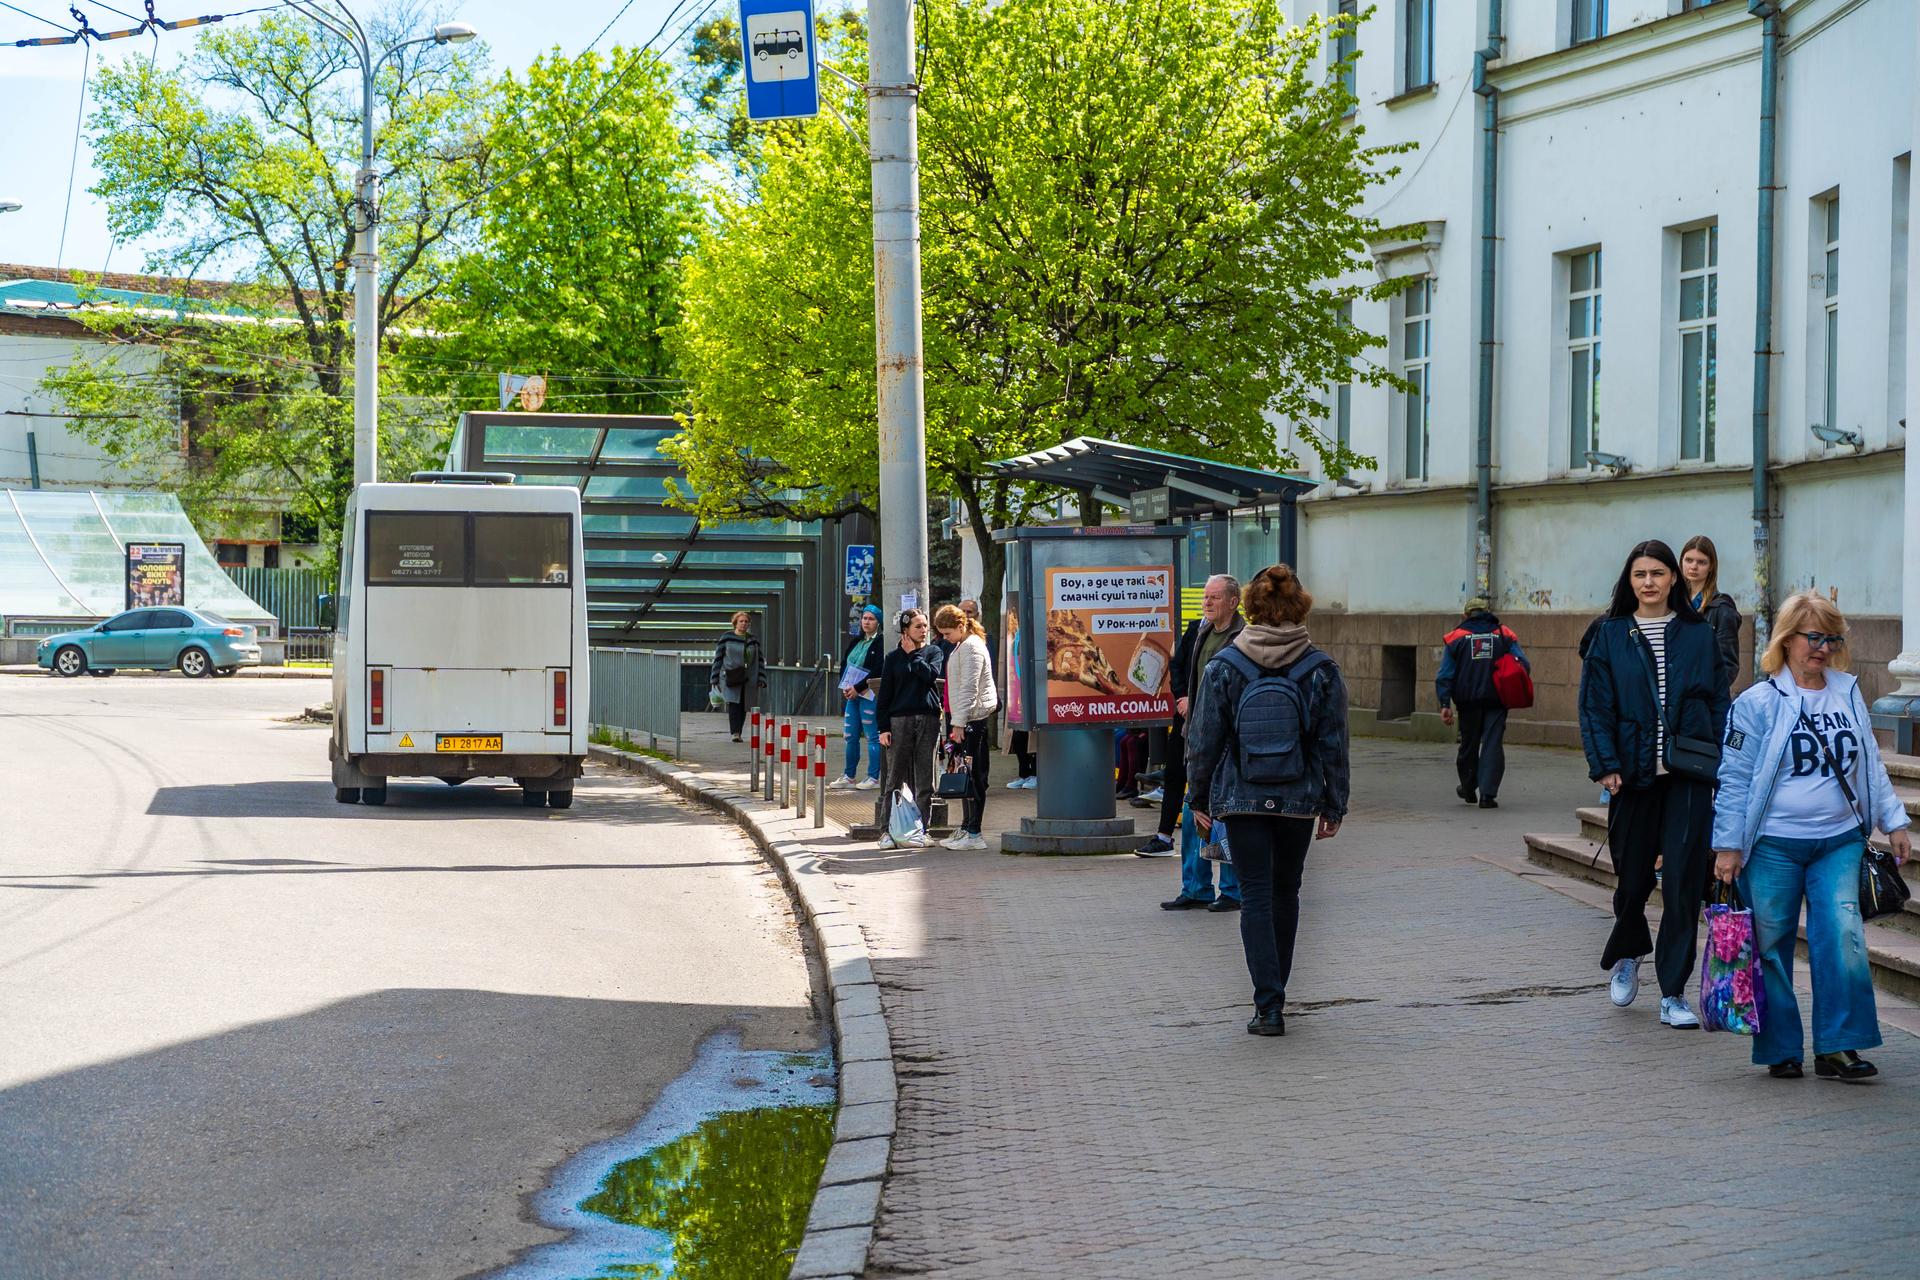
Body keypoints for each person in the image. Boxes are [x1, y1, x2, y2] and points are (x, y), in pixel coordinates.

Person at [1712, 592, 1912, 1080]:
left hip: (1839, 840)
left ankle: (1838, 1046)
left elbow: (1869, 762)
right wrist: (1728, 844)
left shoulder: (1848, 692)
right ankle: (1780, 1047)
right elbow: (1734, 778)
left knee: (1842, 938)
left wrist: (1895, 819)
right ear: (1787, 640)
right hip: (1773, 844)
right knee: (1770, 943)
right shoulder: (1756, 704)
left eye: (1832, 638)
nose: (1822, 648)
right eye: (1813, 637)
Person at [1185, 564, 1350, 1037]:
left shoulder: (1225, 666)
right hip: (1299, 799)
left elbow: (1204, 740)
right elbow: (1334, 743)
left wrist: (1199, 798)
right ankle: (1280, 992)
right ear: (1300, 608)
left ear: (1250, 608)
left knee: (1255, 894)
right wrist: (1334, 804)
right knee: (1286, 892)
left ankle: (1268, 1005)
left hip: (1242, 797)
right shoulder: (1319, 669)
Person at [1579, 539, 1730, 1030]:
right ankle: (1629, 951)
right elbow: (1594, 705)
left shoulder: (1697, 633)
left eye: (1658, 574)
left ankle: (1673, 992)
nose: (1649, 582)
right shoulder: (1610, 634)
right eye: (1640, 574)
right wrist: (1605, 763)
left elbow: (1716, 703)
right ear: (1629, 580)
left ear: (1674, 579)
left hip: (1687, 777)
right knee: (1633, 878)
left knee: (1685, 883)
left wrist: (1717, 761)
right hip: (1632, 774)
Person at [1142, 574, 1246, 859]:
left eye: (1215, 597)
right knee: (1185, 787)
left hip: (1221, 731)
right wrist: (1182, 697)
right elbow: (1179, 667)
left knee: (1216, 799)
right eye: (1205, 596)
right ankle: (1192, 880)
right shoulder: (1199, 631)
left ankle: (1228, 888)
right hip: (1191, 725)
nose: (1207, 602)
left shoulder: (1242, 638)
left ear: (1233, 602)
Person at [1436, 598, 1529, 809]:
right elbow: (1523, 664)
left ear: (1465, 616)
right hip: (1497, 700)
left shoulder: (1456, 638)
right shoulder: (1504, 634)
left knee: (1468, 744)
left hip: (1467, 701)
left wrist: (1444, 703)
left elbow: (1445, 675)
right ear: (1488, 612)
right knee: (1492, 745)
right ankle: (1488, 795)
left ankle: (1468, 787)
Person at [876, 609, 943, 850]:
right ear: (906, 630)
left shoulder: (933, 652)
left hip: (927, 718)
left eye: (925, 625)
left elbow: (930, 676)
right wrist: (883, 727)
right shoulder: (893, 658)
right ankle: (886, 831)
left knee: (925, 778)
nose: (924, 630)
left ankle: (922, 829)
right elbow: (885, 695)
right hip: (899, 721)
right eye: (918, 626)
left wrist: (914, 655)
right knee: (893, 777)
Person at [935, 604, 998, 850]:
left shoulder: (971, 647)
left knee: (974, 774)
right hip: (964, 718)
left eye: (948, 633)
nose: (946, 638)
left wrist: (958, 723)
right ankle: (966, 826)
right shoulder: (964, 644)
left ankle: (974, 832)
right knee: (964, 772)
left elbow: (969, 688)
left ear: (960, 626)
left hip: (971, 720)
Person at [831, 606, 885, 791]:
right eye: (864, 618)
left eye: (871, 619)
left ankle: (874, 777)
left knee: (872, 736)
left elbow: (878, 669)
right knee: (850, 735)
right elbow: (845, 663)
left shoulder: (880, 643)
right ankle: (849, 776)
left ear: (878, 622)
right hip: (851, 694)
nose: (866, 622)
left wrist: (858, 687)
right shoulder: (856, 642)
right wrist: (845, 686)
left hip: (868, 695)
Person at [1681, 534, 1742, 695]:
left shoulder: (1722, 609)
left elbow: (1728, 665)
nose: (1693, 566)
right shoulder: (1674, 603)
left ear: (1711, 566)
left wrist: (1703, 693)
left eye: (1701, 562)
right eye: (1688, 560)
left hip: (1705, 700)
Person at [710, 610, 767, 742]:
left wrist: (761, 678)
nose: (743, 624)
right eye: (741, 621)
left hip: (748, 677)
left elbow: (759, 660)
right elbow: (718, 658)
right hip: (730, 675)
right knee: (734, 703)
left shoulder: (752, 640)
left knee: (744, 704)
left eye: (746, 622)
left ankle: (738, 732)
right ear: (735, 623)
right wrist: (714, 678)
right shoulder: (727, 637)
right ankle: (735, 733)